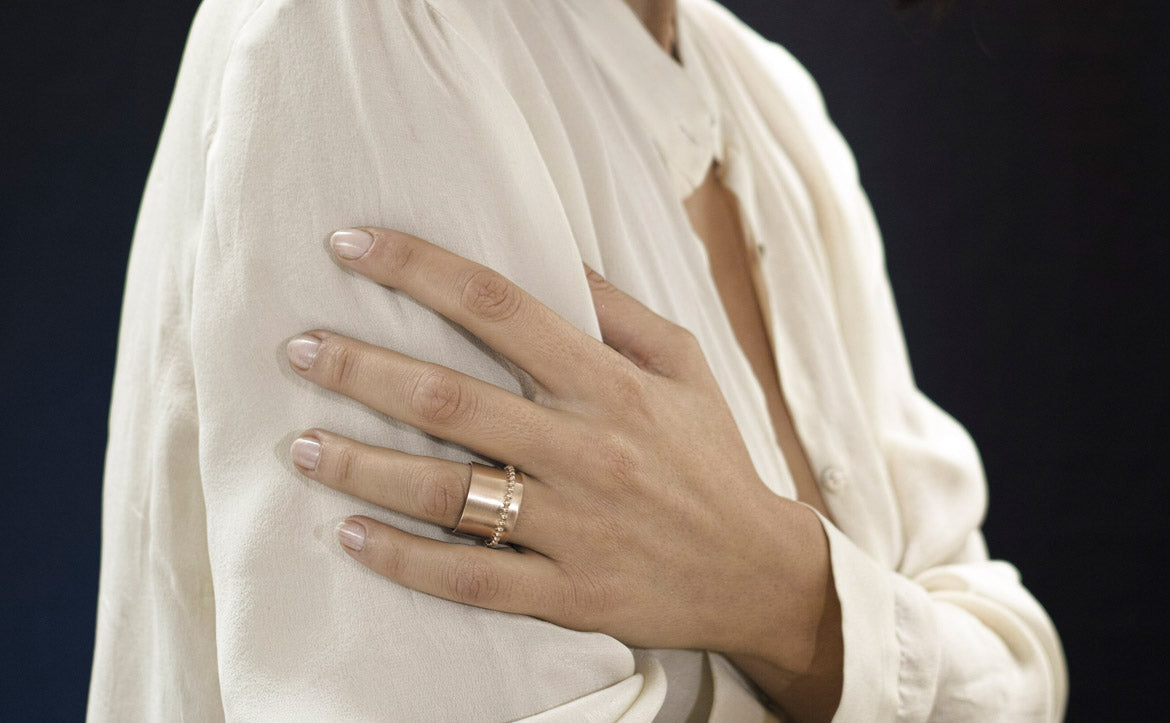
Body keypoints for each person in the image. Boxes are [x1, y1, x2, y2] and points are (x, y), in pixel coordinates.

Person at [87, 0, 1067, 720]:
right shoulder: (364, 27)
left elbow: (1026, 668)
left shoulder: (772, 100)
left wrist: (775, 590)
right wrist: (869, 648)